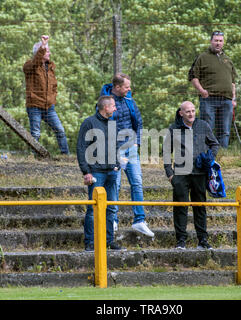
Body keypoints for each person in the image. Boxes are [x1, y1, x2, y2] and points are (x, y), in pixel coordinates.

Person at [100, 73, 154, 238]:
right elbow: (103, 123)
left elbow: (138, 121)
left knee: (137, 182)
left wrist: (137, 142)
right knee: (115, 184)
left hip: (131, 147)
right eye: (126, 86)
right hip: (114, 149)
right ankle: (113, 220)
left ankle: (139, 220)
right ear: (117, 87)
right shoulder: (106, 103)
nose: (129, 89)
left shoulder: (130, 100)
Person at [163, 101, 219, 250]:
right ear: (181, 113)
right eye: (188, 111)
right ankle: (181, 241)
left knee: (200, 207)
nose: (191, 114)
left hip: (200, 173)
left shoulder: (203, 126)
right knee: (180, 208)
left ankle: (203, 241)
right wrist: (170, 174)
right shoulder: (173, 128)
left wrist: (210, 157)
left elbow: (215, 144)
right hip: (180, 175)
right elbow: (166, 152)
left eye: (193, 111)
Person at [77, 95, 124, 251]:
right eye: (113, 106)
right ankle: (90, 242)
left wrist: (117, 165)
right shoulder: (89, 123)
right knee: (92, 209)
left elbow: (116, 146)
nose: (115, 108)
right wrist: (86, 172)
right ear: (106, 108)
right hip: (96, 172)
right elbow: (81, 148)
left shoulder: (112, 124)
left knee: (111, 208)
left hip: (112, 172)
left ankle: (108, 241)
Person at [189, 31, 237, 148]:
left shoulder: (227, 59)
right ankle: (206, 155)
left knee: (225, 131)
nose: (218, 43)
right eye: (216, 40)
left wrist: (233, 98)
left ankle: (222, 157)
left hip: (226, 101)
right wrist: (202, 91)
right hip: (208, 99)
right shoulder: (202, 57)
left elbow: (233, 82)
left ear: (223, 43)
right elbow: (193, 77)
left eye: (220, 41)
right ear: (211, 41)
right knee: (207, 128)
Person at [23, 35, 69, 154]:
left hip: (49, 107)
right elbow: (36, 62)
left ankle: (66, 155)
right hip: (34, 106)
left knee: (60, 130)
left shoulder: (50, 68)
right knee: (35, 134)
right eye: (46, 51)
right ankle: (33, 157)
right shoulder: (29, 66)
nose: (49, 53)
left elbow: (54, 87)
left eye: (47, 50)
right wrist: (43, 45)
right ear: (39, 52)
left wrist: (52, 99)